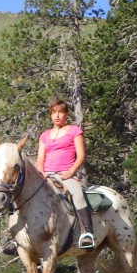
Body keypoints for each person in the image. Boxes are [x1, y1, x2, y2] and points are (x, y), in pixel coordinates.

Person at [37, 100, 95, 249]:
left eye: (61, 112)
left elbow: (81, 155)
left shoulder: (74, 130)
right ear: (50, 114)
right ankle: (19, 237)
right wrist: (41, 173)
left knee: (77, 195)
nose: (57, 115)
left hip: (65, 174)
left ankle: (87, 233)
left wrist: (70, 172)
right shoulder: (45, 135)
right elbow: (40, 159)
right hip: (47, 175)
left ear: (66, 114)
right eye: (54, 112)